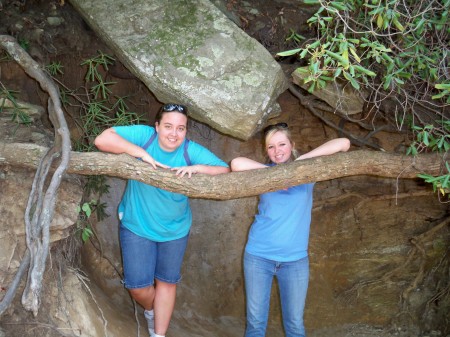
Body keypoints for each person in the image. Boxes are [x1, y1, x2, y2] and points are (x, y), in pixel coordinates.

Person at [94, 103, 229, 337]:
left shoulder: (189, 150)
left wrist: (197, 168)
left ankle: (159, 334)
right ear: (157, 127)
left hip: (175, 230)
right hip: (137, 225)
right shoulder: (145, 137)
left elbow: (225, 170)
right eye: (168, 126)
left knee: (167, 282)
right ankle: (151, 310)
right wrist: (142, 154)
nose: (174, 134)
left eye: (181, 128)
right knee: (137, 287)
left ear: (186, 131)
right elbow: (103, 139)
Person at [230, 122, 350, 337]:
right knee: (256, 324)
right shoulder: (263, 174)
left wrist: (299, 164)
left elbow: (343, 143)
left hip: (295, 262)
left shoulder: (307, 172)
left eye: (282, 144)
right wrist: (274, 177)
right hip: (258, 257)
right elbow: (236, 163)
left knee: (294, 324)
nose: (277, 151)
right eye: (271, 147)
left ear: (292, 145)